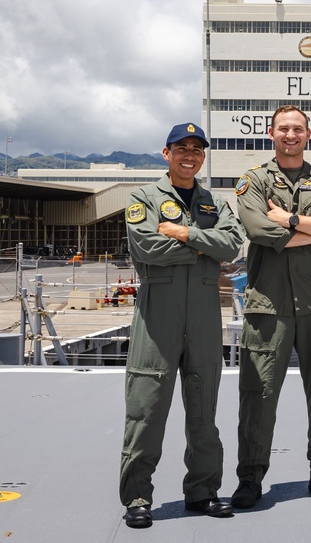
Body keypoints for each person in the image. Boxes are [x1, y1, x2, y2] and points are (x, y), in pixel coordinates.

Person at [231, 105, 311, 507]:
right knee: (259, 394)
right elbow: (256, 229)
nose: (290, 135)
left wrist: (286, 219)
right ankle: (250, 478)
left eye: (298, 129)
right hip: (268, 305)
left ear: (308, 134)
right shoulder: (252, 181)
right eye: (283, 128)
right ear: (271, 133)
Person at [119, 122, 244, 529]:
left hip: (206, 316)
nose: (190, 155)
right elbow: (148, 248)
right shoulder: (143, 198)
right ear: (166, 153)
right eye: (182, 148)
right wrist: (204, 246)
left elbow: (232, 245)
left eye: (197, 148)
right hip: (158, 315)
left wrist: (184, 232)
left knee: (204, 409)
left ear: (202, 156)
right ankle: (138, 495)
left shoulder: (214, 202)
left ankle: (204, 490)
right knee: (146, 408)